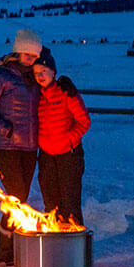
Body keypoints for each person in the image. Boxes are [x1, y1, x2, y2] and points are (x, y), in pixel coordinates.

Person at [0, 28, 50, 263]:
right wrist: (4, 129)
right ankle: (4, 252)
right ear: (17, 52)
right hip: (6, 146)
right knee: (15, 198)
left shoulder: (35, 79)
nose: (30, 59)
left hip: (30, 148)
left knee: (21, 199)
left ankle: (14, 250)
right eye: (26, 54)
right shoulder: (1, 77)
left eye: (34, 55)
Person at [32, 52, 90, 225]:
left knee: (70, 201)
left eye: (43, 70)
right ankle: (55, 242)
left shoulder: (66, 92)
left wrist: (67, 139)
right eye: (36, 73)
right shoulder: (38, 96)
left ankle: (75, 246)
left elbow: (84, 121)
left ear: (53, 72)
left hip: (69, 155)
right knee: (51, 202)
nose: (40, 76)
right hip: (46, 155)